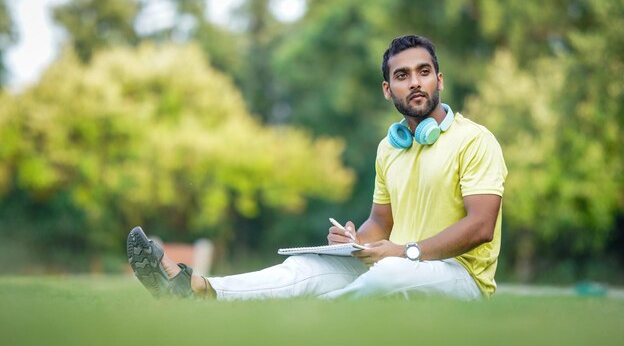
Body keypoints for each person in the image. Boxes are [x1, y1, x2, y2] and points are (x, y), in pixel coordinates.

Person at [127, 34, 507, 300]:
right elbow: (381, 223)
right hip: (398, 262)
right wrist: (355, 239)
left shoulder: (475, 140)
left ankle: (305, 320)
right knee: (307, 264)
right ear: (388, 89)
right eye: (402, 76)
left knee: (391, 273)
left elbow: (481, 226)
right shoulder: (389, 149)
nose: (415, 82)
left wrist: (404, 252)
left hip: (460, 278)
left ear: (439, 79)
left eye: (423, 72)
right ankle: (197, 289)